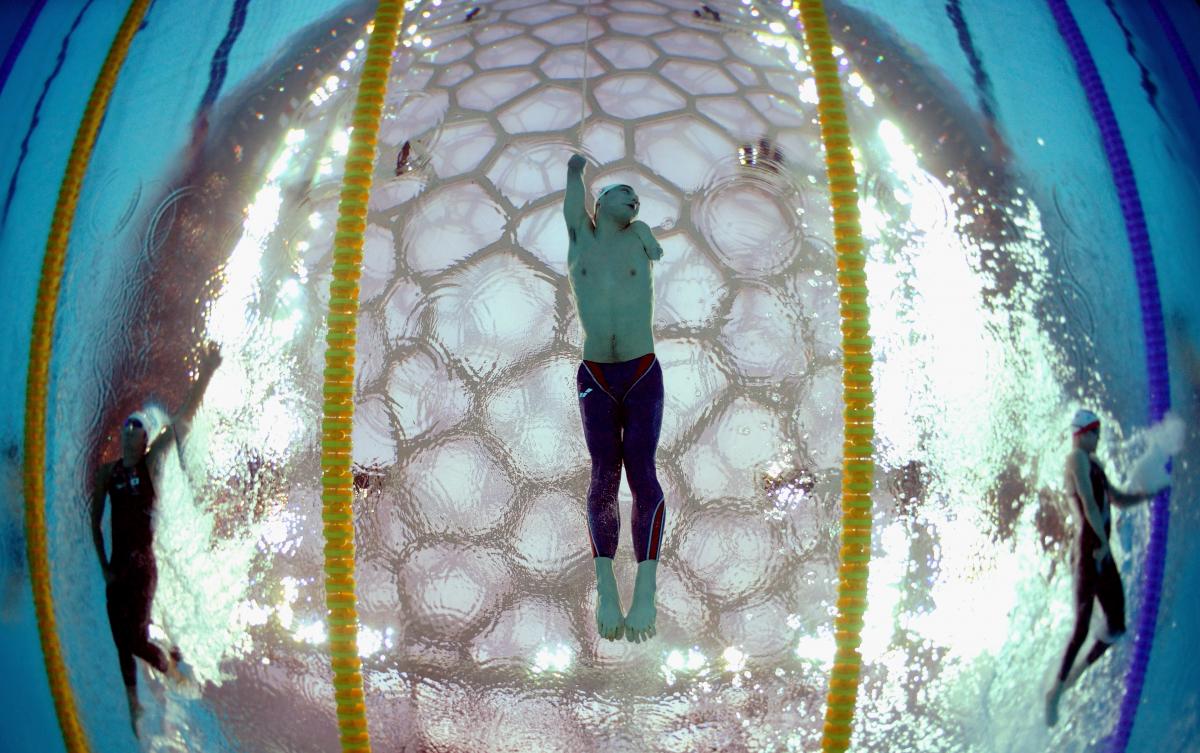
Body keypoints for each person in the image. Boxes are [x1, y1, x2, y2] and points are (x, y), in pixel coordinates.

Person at [90, 342, 222, 735]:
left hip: (143, 565)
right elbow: (95, 522)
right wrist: (103, 568)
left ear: (145, 442)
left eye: (140, 431)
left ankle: (172, 669)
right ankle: (135, 703)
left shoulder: (150, 463)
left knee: (133, 639)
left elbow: (182, 419)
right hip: (117, 565)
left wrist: (206, 372)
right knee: (121, 637)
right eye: (129, 428)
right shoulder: (106, 474)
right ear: (122, 435)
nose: (134, 434)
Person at [564, 153, 666, 644]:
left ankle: (645, 589)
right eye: (624, 193)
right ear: (599, 203)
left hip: (642, 368)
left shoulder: (639, 236)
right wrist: (575, 171)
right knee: (604, 474)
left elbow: (657, 251)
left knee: (641, 471)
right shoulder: (580, 237)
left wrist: (644, 227)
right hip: (595, 373)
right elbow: (572, 199)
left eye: (638, 199)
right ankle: (607, 588)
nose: (634, 200)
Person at [1045, 408, 1166, 726]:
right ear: (1082, 432)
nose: (1098, 439)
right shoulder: (1077, 460)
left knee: (1116, 626)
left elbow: (1116, 499)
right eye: (1095, 433)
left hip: (1101, 550)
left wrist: (1146, 495)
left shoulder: (1094, 463)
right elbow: (1087, 504)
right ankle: (1055, 691)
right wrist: (1100, 543)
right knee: (1082, 626)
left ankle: (1071, 679)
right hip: (1088, 550)